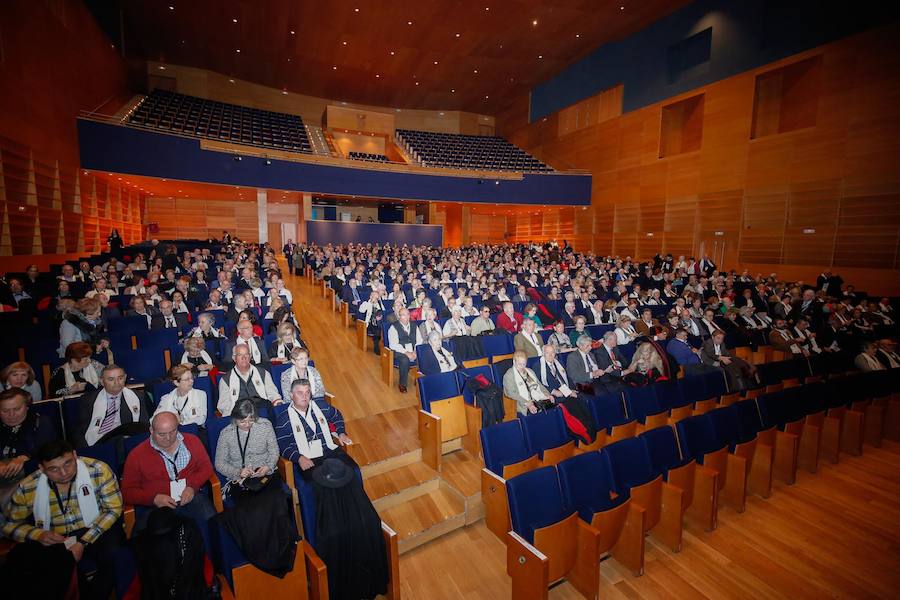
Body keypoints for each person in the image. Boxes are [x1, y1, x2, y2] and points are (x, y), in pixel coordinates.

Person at [276, 379, 387, 600]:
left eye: (307, 392)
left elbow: (336, 417)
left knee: (352, 469)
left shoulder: (322, 406)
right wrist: (297, 457)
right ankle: (332, 528)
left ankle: (358, 518)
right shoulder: (283, 419)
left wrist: (342, 433)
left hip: (329, 452)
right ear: (291, 395)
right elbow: (283, 443)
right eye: (300, 393)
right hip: (308, 459)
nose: (305, 397)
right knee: (319, 484)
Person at [1, 439, 124, 600]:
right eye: (53, 469)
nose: (64, 473)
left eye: (68, 463)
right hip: (54, 537)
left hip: (94, 528)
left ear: (74, 455)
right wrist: (38, 534)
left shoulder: (98, 470)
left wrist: (84, 542)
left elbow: (113, 510)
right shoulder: (29, 486)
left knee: (117, 554)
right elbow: (9, 525)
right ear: (42, 468)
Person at [122, 411, 216, 531]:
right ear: (151, 430)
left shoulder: (192, 441)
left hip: (190, 497)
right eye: (162, 434)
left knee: (212, 525)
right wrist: (153, 498)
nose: (168, 438)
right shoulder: (136, 455)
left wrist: (192, 486)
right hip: (157, 506)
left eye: (173, 432)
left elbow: (206, 467)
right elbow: (127, 492)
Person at [0, 388, 56, 505]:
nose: (11, 415)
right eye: (5, 411)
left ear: (26, 407)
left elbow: (49, 453)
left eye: (17, 409)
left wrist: (25, 458)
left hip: (29, 474)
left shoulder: (40, 422)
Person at [74, 364, 150, 448]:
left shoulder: (138, 397)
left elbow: (143, 426)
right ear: (102, 381)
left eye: (120, 378)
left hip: (125, 441)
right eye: (111, 379)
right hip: (99, 442)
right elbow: (80, 432)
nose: (117, 383)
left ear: (125, 378)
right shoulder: (88, 400)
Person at [218, 346, 282, 415]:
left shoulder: (263, 373)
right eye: (240, 355)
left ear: (250, 356)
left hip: (262, 411)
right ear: (234, 358)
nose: (244, 358)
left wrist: (278, 402)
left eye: (246, 354)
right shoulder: (225, 380)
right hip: (240, 415)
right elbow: (224, 405)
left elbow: (273, 394)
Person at [503, 350, 552, 415]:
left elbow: (539, 385)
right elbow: (511, 393)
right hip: (522, 403)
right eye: (519, 364)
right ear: (514, 362)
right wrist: (528, 403)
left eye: (524, 364)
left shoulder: (530, 371)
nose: (522, 367)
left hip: (538, 399)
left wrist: (548, 394)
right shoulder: (509, 375)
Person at [387, 308, 423, 393]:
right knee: (404, 360)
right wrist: (406, 352)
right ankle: (402, 384)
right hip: (400, 351)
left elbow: (419, 340)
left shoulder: (414, 326)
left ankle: (419, 380)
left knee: (423, 356)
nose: (406, 317)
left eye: (407, 314)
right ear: (399, 317)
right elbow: (393, 344)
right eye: (403, 315)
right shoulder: (393, 327)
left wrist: (415, 351)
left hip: (413, 350)